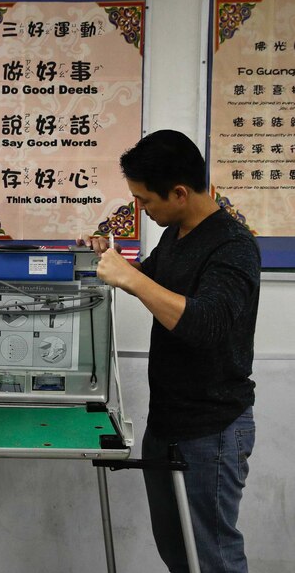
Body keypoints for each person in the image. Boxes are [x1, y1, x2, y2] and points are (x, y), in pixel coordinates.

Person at [82, 129, 260, 572]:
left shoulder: (234, 246)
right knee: (179, 555)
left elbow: (206, 324)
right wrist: (115, 261)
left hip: (211, 430)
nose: (141, 209)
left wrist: (132, 279)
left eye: (145, 200)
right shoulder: (177, 233)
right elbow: (154, 282)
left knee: (212, 556)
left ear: (180, 192)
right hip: (167, 423)